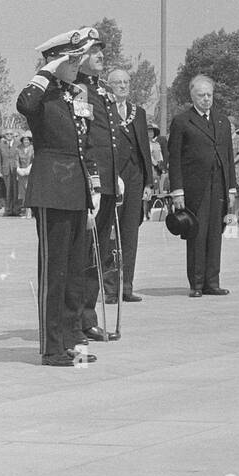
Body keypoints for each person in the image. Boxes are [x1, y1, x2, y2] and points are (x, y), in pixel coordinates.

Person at [16, 29, 103, 367]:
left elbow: (84, 144)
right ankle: (52, 348)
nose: (78, 64)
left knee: (74, 271)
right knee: (54, 272)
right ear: (57, 61)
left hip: (75, 189)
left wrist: (92, 182)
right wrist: (46, 71)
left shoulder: (71, 95)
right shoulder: (42, 95)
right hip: (52, 188)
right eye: (73, 59)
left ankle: (70, 341)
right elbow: (23, 104)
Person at [168, 74, 238, 297]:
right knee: (197, 234)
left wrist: (232, 188)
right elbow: (175, 158)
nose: (206, 99)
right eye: (201, 95)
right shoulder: (182, 121)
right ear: (192, 96)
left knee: (216, 233)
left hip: (219, 184)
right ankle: (196, 284)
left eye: (209, 94)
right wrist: (177, 190)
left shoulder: (222, 120)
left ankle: (212, 282)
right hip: (194, 187)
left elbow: (228, 155)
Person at [76, 40, 121, 343]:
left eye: (100, 51)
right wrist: (93, 177)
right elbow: (83, 139)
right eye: (93, 52)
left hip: (106, 181)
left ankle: (87, 317)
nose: (100, 56)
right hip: (89, 183)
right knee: (82, 253)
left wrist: (114, 175)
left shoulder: (101, 90)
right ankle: (75, 318)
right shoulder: (78, 90)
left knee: (98, 251)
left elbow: (109, 139)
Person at [107, 66, 154, 303]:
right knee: (110, 234)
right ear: (109, 85)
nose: (123, 86)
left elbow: (144, 148)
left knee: (130, 233)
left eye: (126, 82)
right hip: (113, 178)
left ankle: (126, 286)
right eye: (117, 82)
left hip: (135, 179)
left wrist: (148, 181)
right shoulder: (103, 111)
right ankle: (110, 288)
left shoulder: (139, 112)